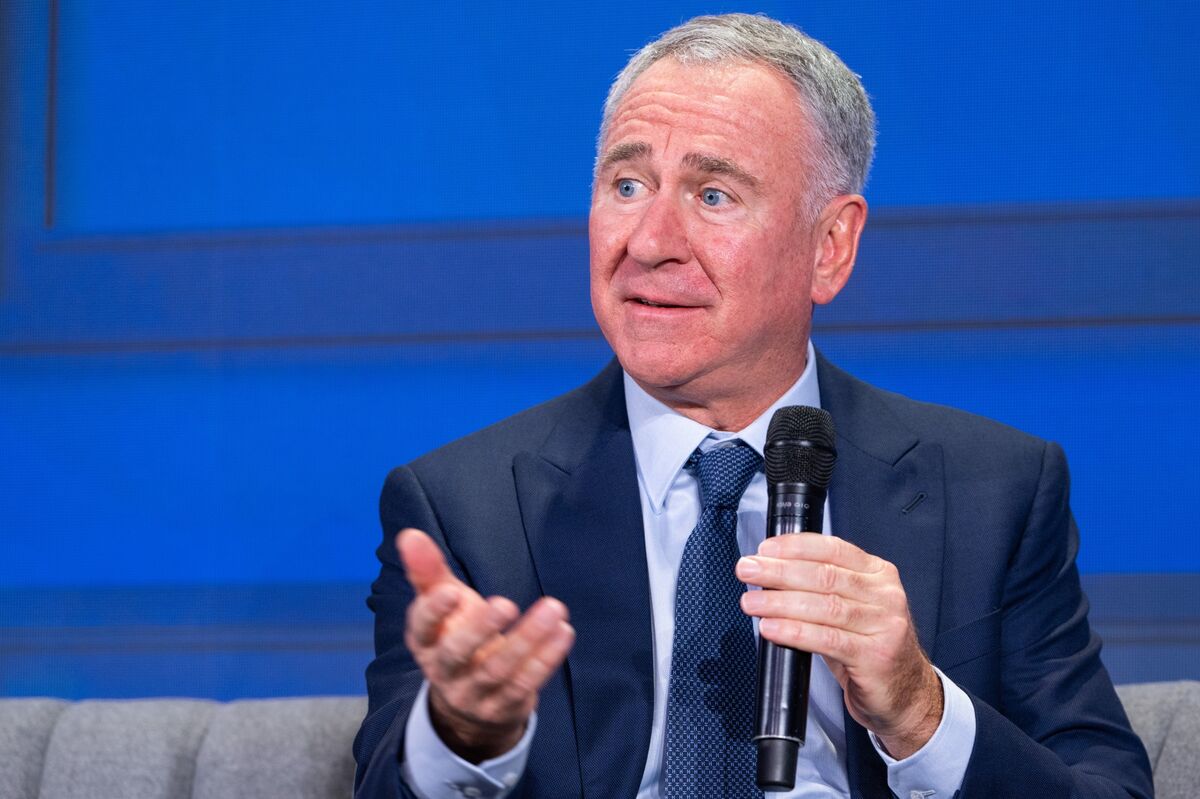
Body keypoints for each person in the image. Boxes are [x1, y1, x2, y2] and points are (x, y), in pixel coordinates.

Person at [353, 13, 1152, 799]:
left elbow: (1108, 788)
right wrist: (463, 733)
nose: (650, 241)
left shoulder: (994, 490)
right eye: (628, 185)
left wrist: (920, 709)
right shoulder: (463, 508)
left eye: (714, 194)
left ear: (829, 247)